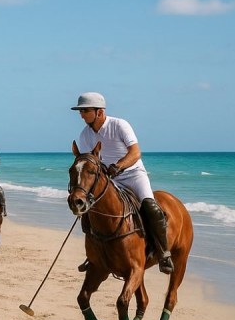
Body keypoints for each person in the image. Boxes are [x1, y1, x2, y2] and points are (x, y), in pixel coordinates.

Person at [71, 92, 174, 274]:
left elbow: (135, 153)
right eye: (80, 111)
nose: (81, 114)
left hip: (133, 174)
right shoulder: (85, 135)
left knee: (150, 207)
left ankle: (163, 254)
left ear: (99, 112)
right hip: (110, 180)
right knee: (89, 212)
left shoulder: (119, 125)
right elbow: (89, 163)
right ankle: (94, 255)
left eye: (85, 110)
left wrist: (118, 166)